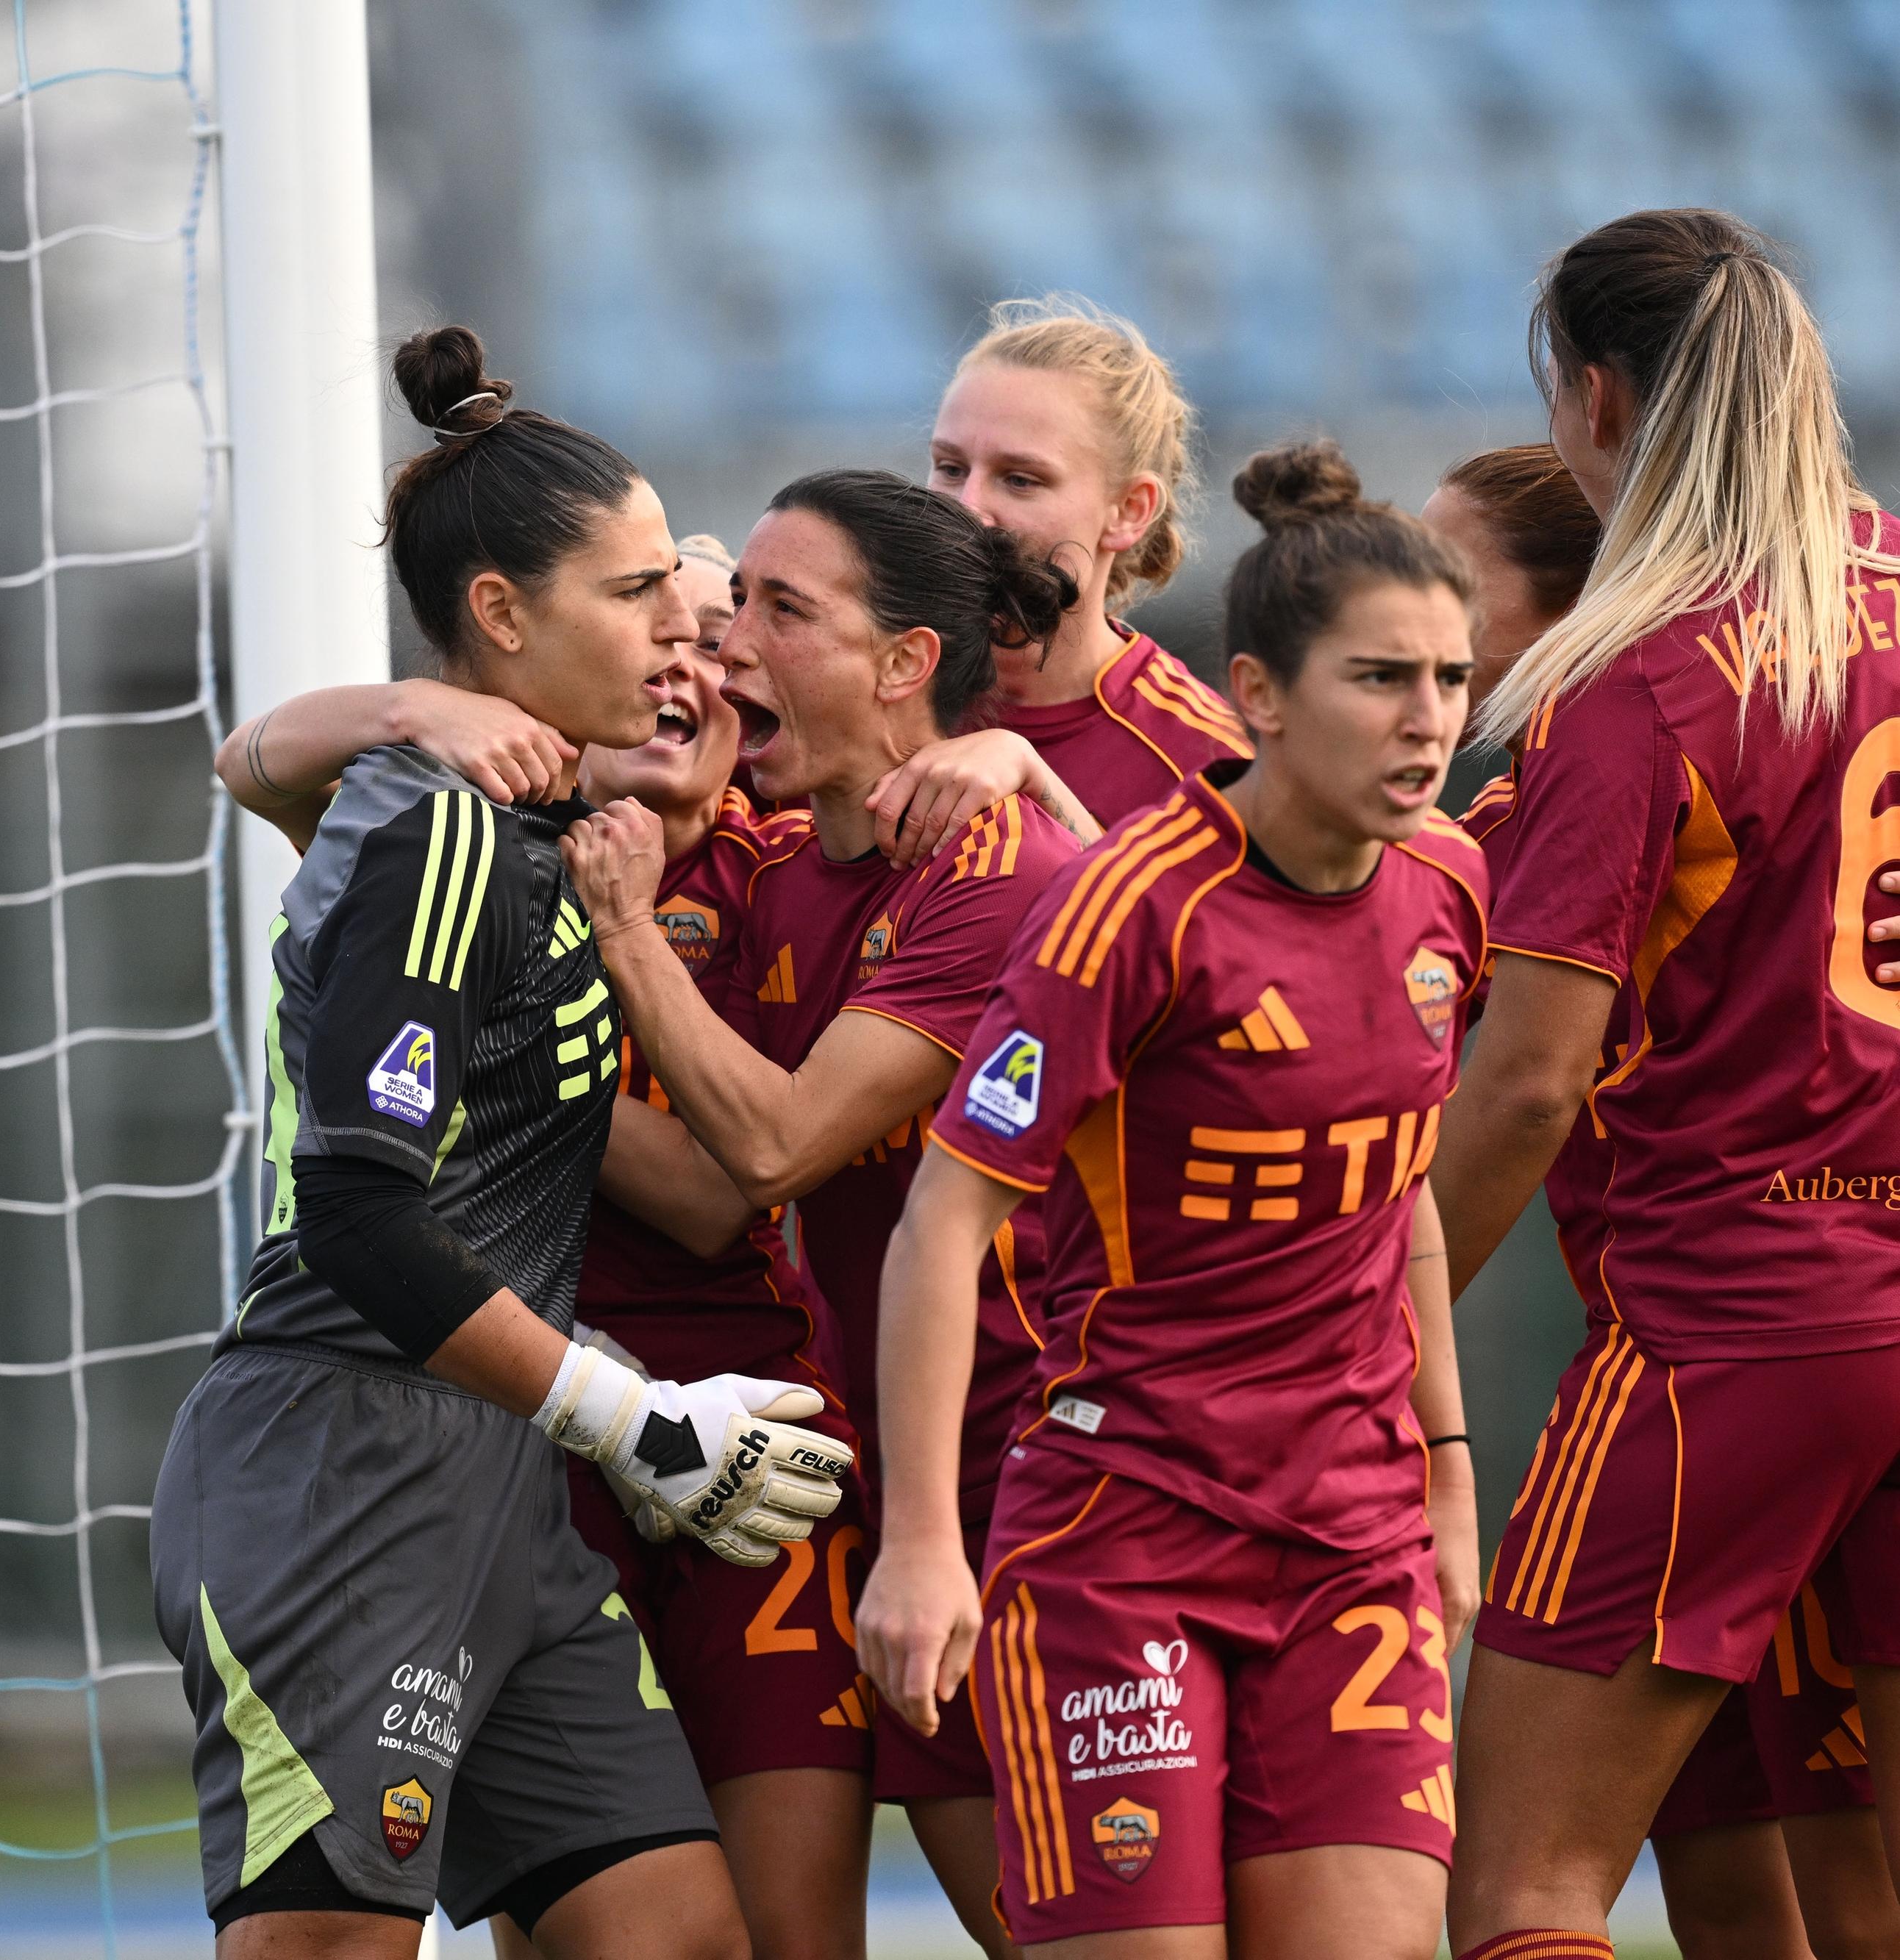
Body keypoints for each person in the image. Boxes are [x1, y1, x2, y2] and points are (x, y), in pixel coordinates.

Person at [151, 327, 850, 1959]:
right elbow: (359, 1222)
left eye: (687, 617)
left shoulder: (533, 846)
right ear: (501, 616)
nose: (678, 650)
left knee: (675, 1932)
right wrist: (637, 1420)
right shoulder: (439, 830)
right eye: (635, 605)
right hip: (341, 1466)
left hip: (497, 1483)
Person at [858, 441, 1488, 1959]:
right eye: (1381, 678)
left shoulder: (1451, 888)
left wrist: (1449, 1470)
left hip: (1352, 1538)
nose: (1427, 723)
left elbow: (1398, 1186)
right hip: (1120, 1530)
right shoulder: (1128, 909)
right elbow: (944, 1216)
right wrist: (924, 1539)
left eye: (1452, 680)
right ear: (1260, 695)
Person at [1423, 210, 1900, 1960]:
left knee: (1519, 1886)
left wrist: (1370, 1322)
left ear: (1600, 398)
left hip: (1727, 1336)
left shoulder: (1638, 675)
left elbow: (1528, 1080)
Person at [562, 468, 1087, 1957]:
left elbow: (771, 1156)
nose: (729, 649)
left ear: (907, 662)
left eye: (779, 614)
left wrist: (605, 959)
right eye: (736, 615)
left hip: (1059, 1466)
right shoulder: (788, 862)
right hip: (909, 1460)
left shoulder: (990, 861)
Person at [864, 296, 1249, 868]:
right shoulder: (854, 689)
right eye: (950, 468)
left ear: (1128, 511)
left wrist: (1034, 781)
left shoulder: (1209, 760)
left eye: (1020, 480)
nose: (969, 509)